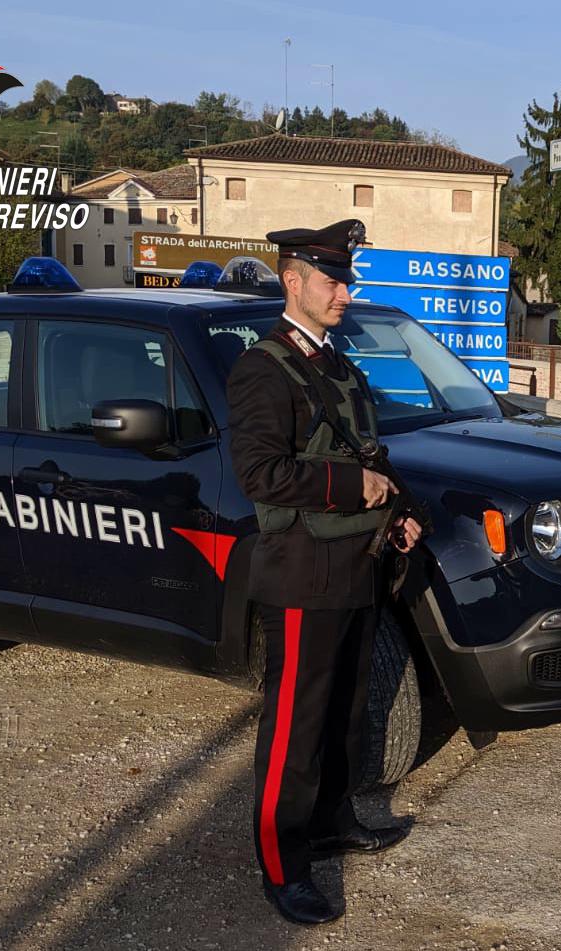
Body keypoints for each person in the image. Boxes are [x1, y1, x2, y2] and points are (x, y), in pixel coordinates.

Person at [227, 219, 423, 925]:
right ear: (293, 280)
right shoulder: (262, 368)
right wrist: (354, 489)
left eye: (347, 278)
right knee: (294, 724)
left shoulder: (337, 365)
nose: (347, 290)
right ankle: (283, 864)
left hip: (356, 564)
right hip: (303, 571)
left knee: (344, 711)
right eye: (333, 279)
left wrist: (396, 507)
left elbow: (368, 452)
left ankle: (333, 822)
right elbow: (259, 472)